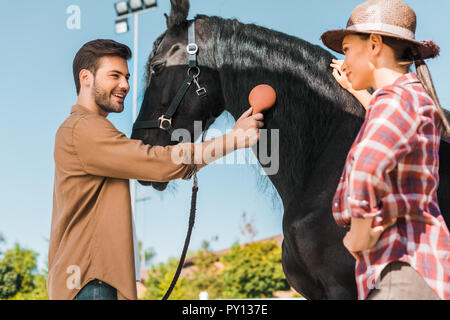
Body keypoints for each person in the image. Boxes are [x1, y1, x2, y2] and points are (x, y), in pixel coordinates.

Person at [47, 39, 264, 300]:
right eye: (114, 76)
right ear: (86, 78)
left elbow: (157, 163)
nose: (125, 85)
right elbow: (156, 162)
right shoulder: (83, 128)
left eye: (126, 77)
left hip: (92, 283)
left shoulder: (83, 129)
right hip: (92, 283)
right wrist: (232, 140)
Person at [321, 0, 450, 300]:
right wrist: (357, 89)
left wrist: (360, 235)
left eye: (348, 49)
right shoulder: (407, 98)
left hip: (400, 271)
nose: (344, 60)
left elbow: (366, 170)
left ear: (375, 44)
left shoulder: (396, 100)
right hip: (415, 268)